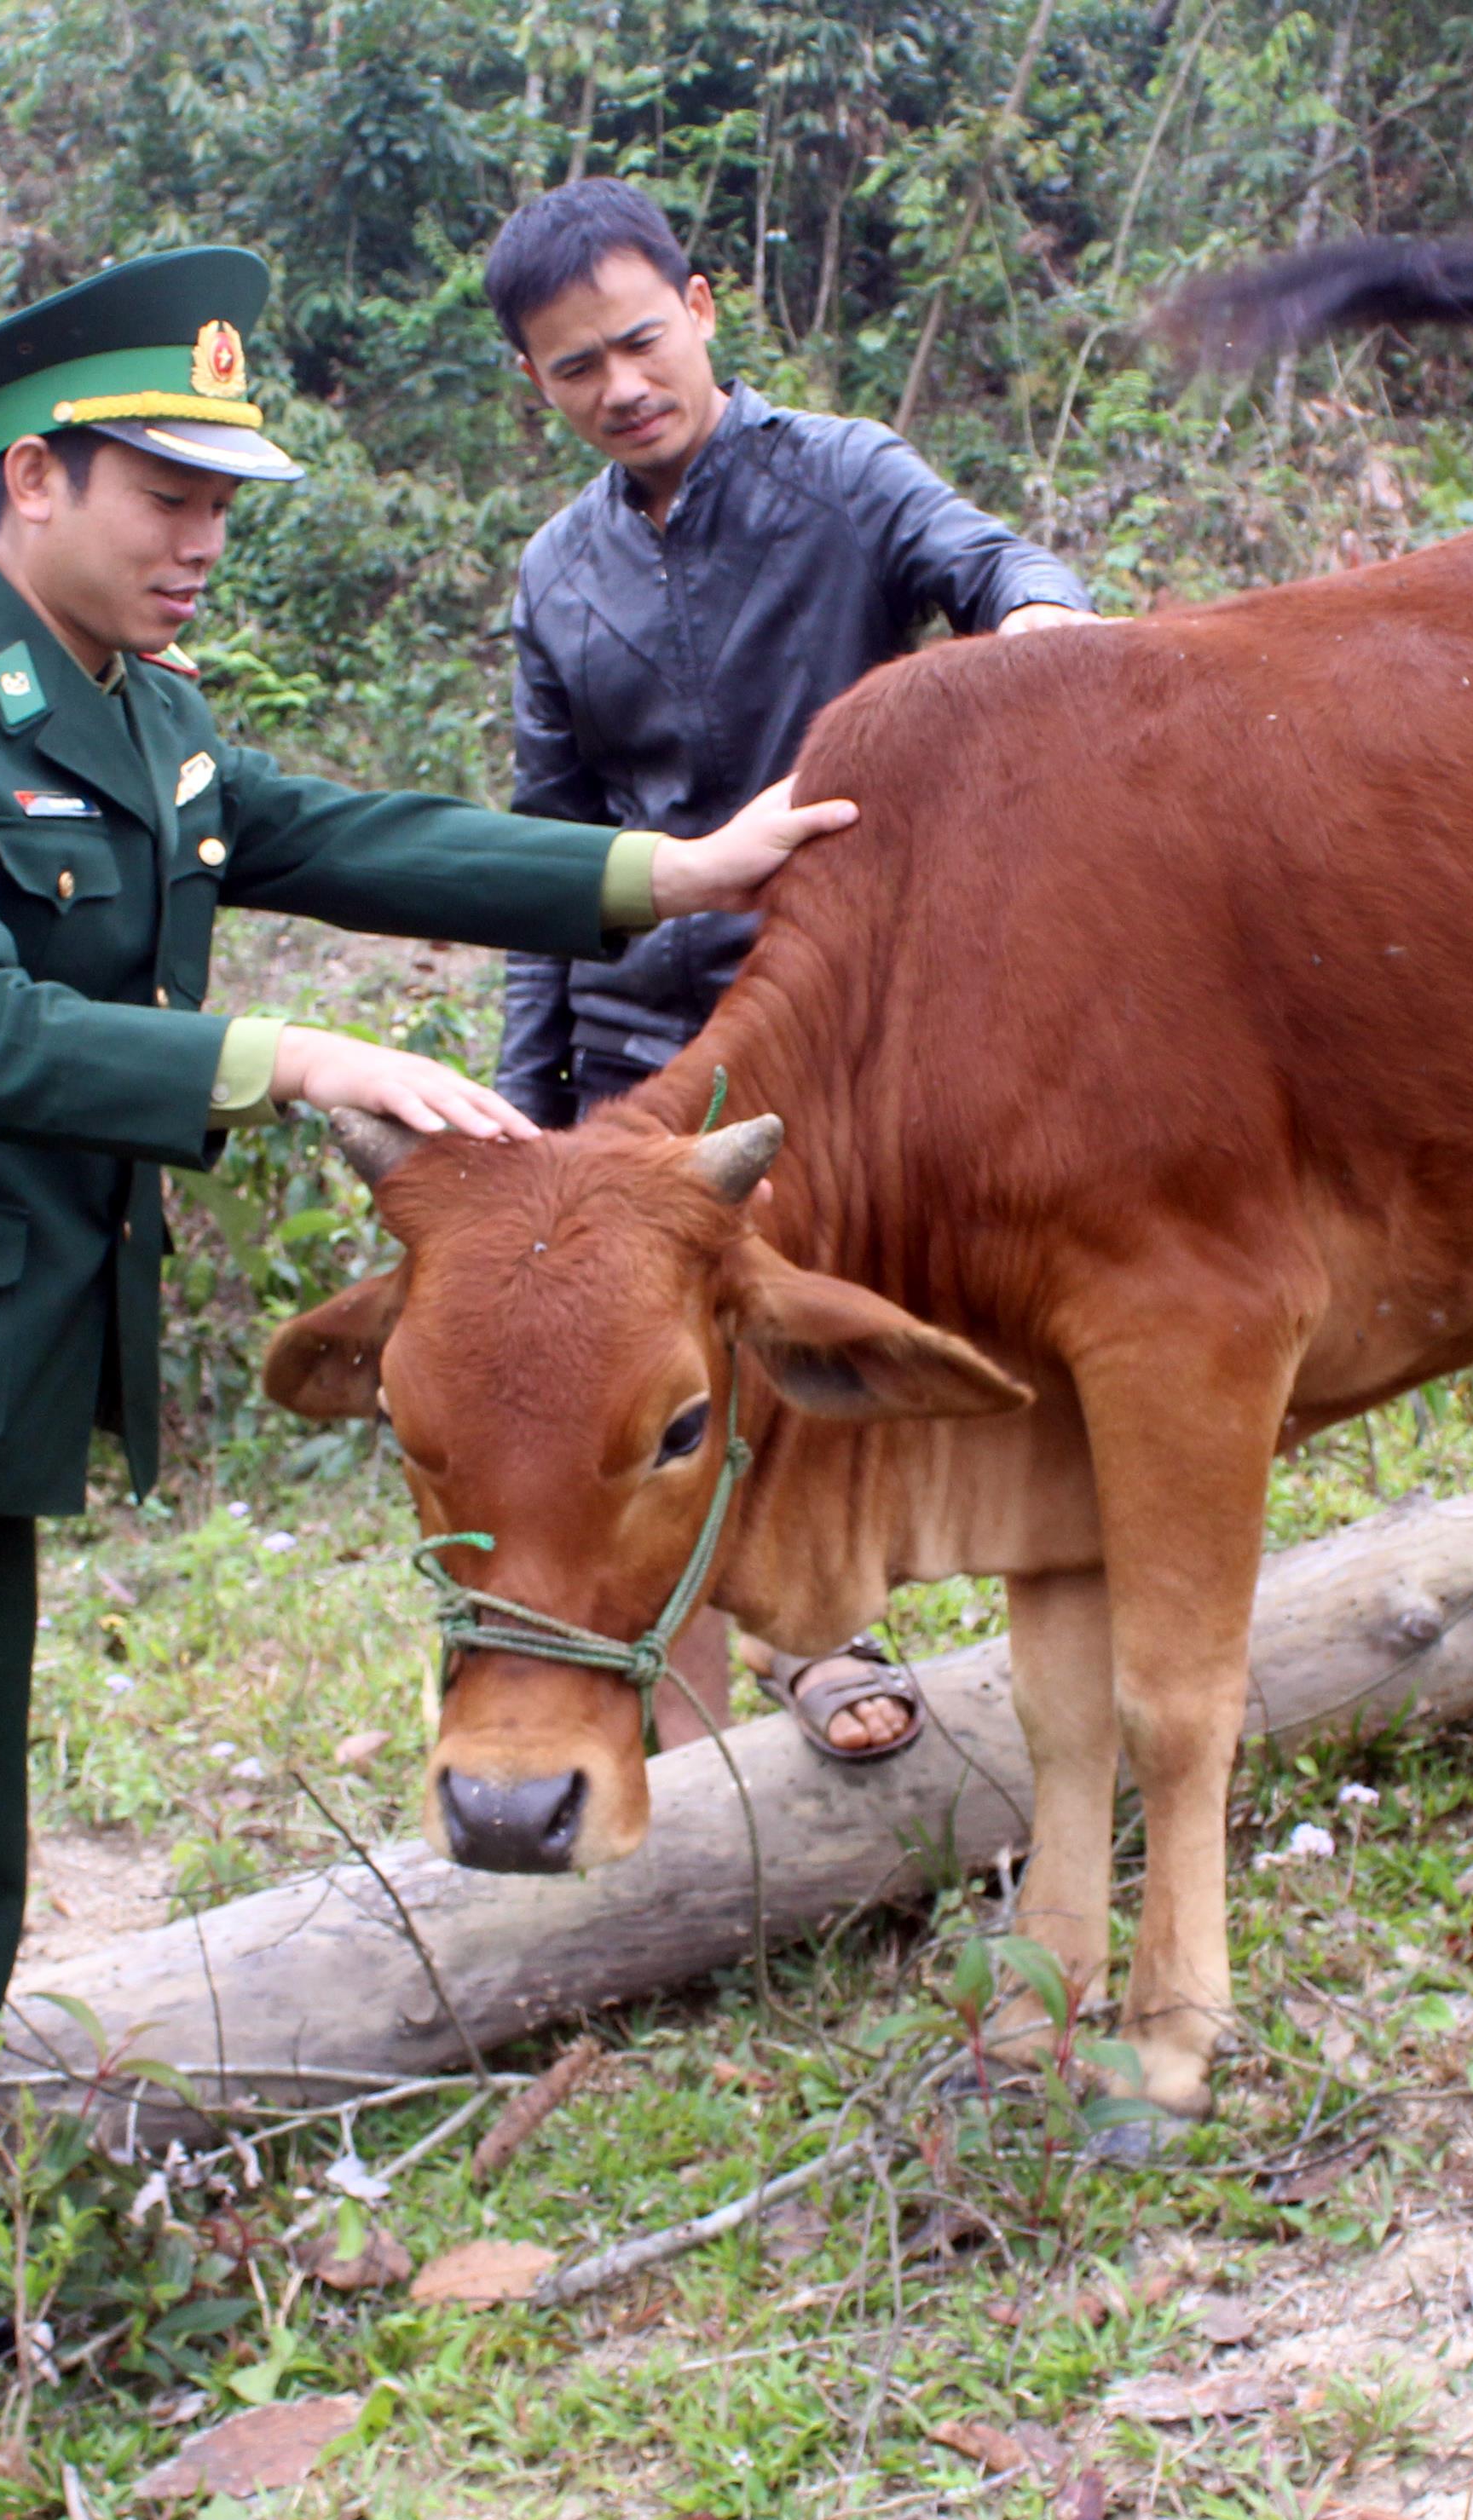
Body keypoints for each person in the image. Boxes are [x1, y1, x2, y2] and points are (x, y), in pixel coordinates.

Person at [0, 245, 850, 2520]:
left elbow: (351, 837)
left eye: (221, 503)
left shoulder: (143, 719)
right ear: (33, 480)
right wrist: (278, 1053)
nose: (202, 540)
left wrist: (673, 868)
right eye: (164, 497)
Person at [483, 177, 1096, 1760]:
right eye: (574, 367)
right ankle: (672, 1697)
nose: (621, 387)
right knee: (645, 1376)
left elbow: (994, 564)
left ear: (700, 309)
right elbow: (550, 849)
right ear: (533, 382)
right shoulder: (557, 572)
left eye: (639, 341)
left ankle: (826, 1628)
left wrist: (1041, 630)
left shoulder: (840, 475)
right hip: (642, 1034)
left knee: (824, 1334)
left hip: (841, 1022)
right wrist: (527, 1110)